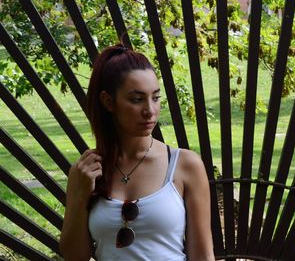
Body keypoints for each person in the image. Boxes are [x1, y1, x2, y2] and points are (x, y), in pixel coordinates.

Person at [59, 44, 215, 261]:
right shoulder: (87, 171)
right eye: (137, 99)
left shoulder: (184, 165)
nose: (150, 110)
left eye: (156, 97)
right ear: (108, 101)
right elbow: (75, 257)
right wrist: (79, 196)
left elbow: (203, 256)